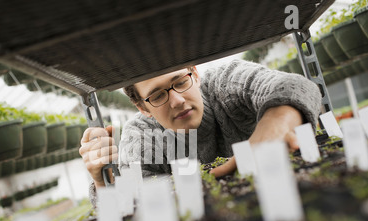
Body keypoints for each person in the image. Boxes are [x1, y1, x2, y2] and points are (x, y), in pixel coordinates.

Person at [79, 59, 322, 207]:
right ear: (143, 108)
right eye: (157, 95)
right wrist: (103, 183)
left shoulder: (226, 82)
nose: (176, 100)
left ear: (194, 73)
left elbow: (297, 86)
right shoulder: (142, 135)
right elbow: (133, 201)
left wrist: (275, 124)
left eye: (181, 81)